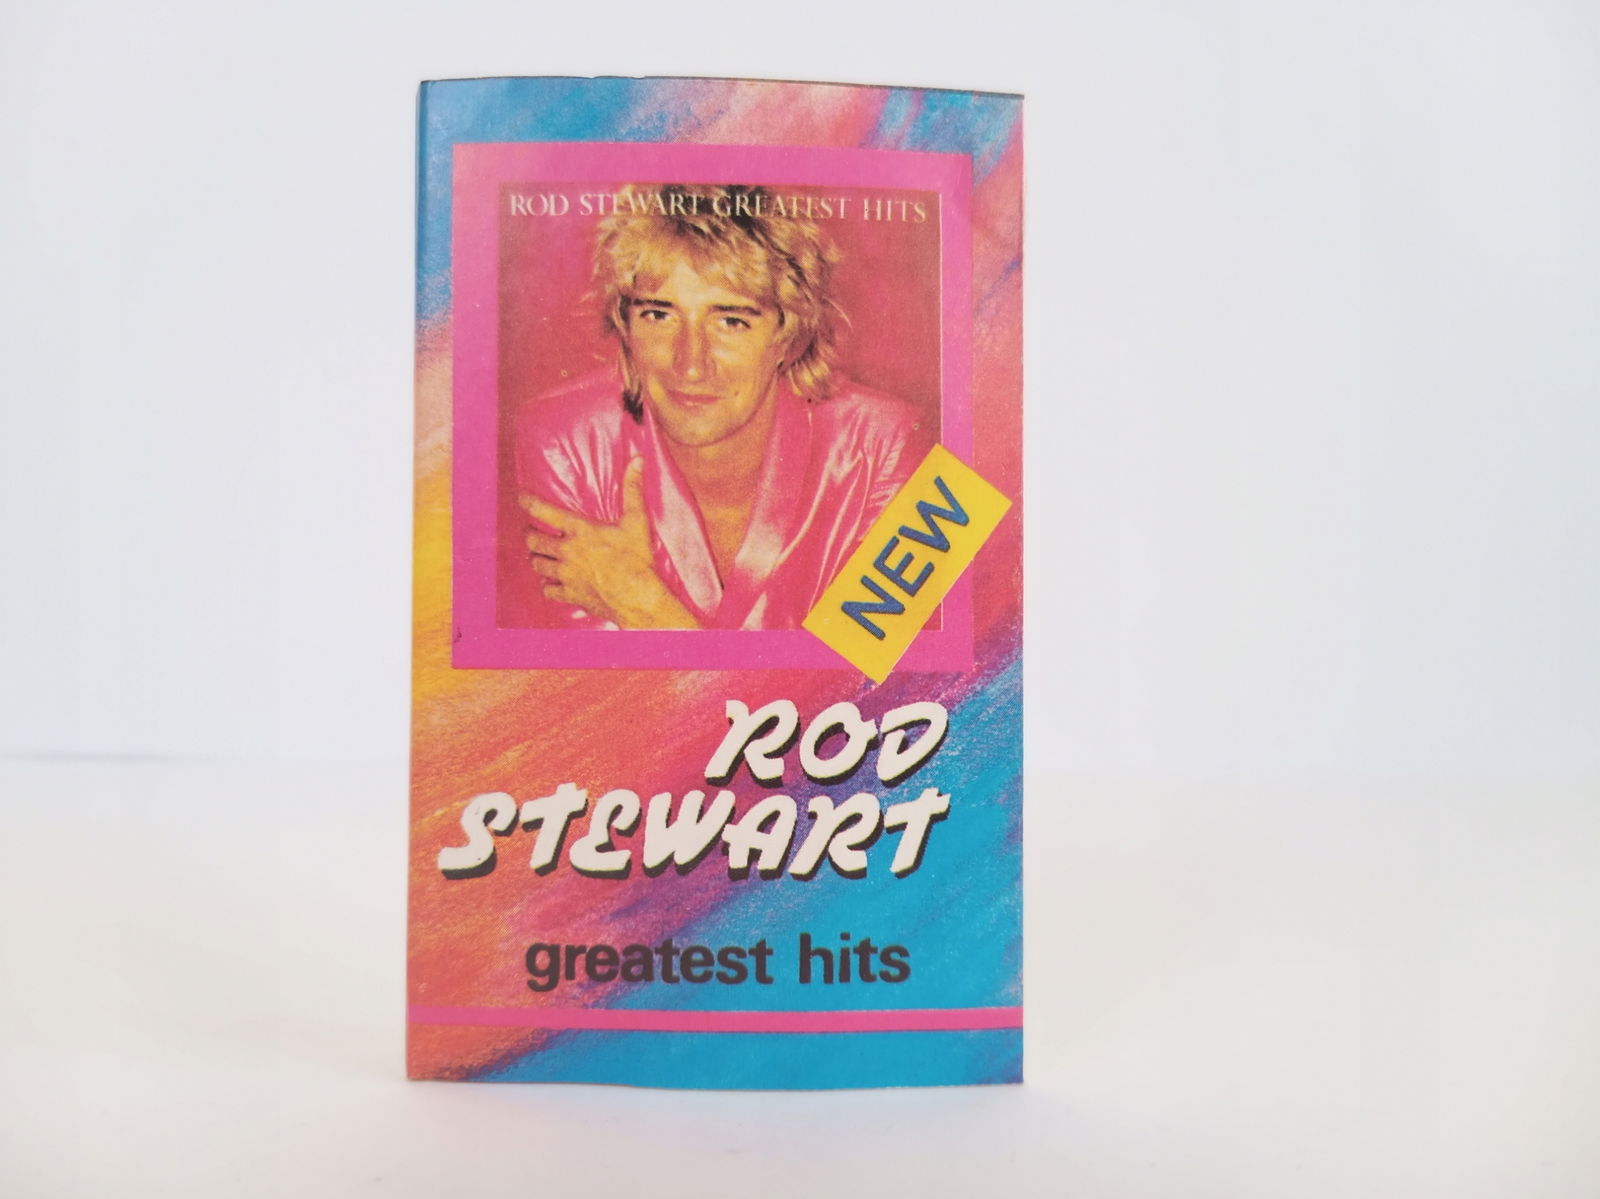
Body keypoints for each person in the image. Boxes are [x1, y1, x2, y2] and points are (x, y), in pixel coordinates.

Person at [514, 184, 929, 630]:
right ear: (625, 325)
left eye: (731, 321)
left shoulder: (891, 443)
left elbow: (881, 674)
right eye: (659, 315)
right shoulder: (562, 439)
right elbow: (587, 674)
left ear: (789, 337)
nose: (691, 364)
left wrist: (648, 611)